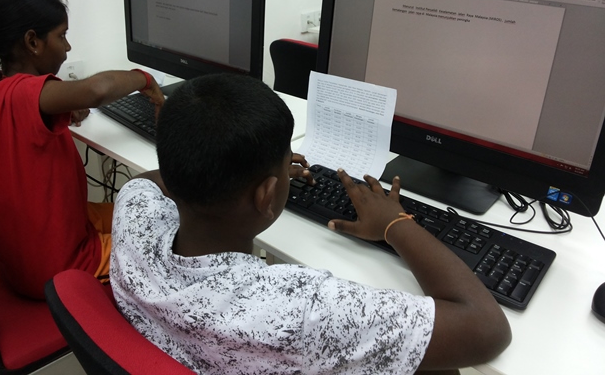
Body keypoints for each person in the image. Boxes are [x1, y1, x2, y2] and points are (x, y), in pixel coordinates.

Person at [110, 73, 511, 374]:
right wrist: (395, 223)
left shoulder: (133, 215)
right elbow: (487, 330)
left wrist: (252, 171)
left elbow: (150, 181)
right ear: (266, 197)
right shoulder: (301, 310)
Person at [0, 0, 165, 299]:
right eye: (62, 36)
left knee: (140, 199)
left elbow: (28, 121)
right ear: (32, 42)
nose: (68, 47)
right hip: (58, 266)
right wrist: (146, 79)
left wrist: (66, 108)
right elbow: (97, 90)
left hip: (23, 253)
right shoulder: (26, 93)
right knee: (169, 226)